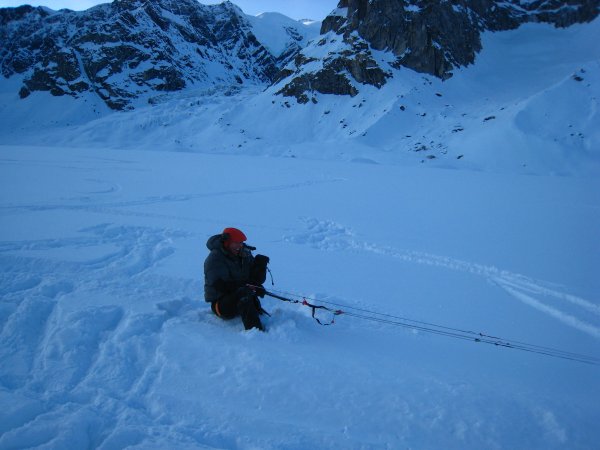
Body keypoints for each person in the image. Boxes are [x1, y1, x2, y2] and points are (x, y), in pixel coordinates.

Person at [204, 227, 270, 331]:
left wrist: (260, 266)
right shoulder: (215, 258)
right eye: (236, 243)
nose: (240, 246)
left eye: (241, 242)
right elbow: (220, 285)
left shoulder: (244, 254)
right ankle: (256, 333)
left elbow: (255, 280)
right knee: (243, 293)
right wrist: (246, 286)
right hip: (220, 305)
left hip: (241, 295)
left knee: (245, 292)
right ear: (227, 242)